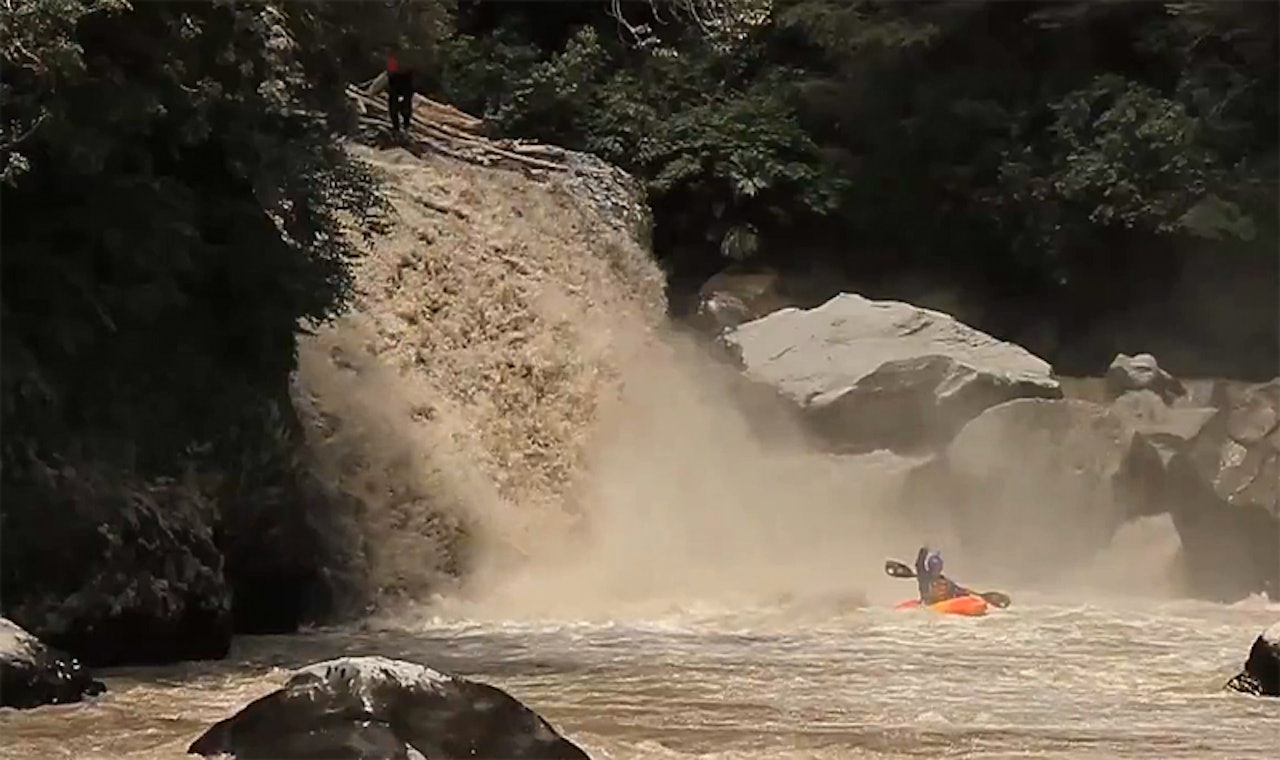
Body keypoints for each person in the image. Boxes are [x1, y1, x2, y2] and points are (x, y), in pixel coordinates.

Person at [384, 54, 414, 133]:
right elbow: (391, 72)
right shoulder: (395, 58)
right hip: (398, 86)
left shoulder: (399, 58)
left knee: (403, 107)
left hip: (402, 86)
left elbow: (391, 73)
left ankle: (403, 126)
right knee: (396, 108)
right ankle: (398, 128)